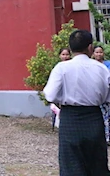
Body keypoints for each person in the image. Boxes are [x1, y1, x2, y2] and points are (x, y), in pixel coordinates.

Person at [43, 30, 110, 175]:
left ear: (71, 47)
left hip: (70, 117)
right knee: (97, 163)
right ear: (90, 47)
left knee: (71, 163)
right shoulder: (102, 69)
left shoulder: (61, 68)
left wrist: (62, 98)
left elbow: (49, 94)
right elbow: (107, 96)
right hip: (94, 117)